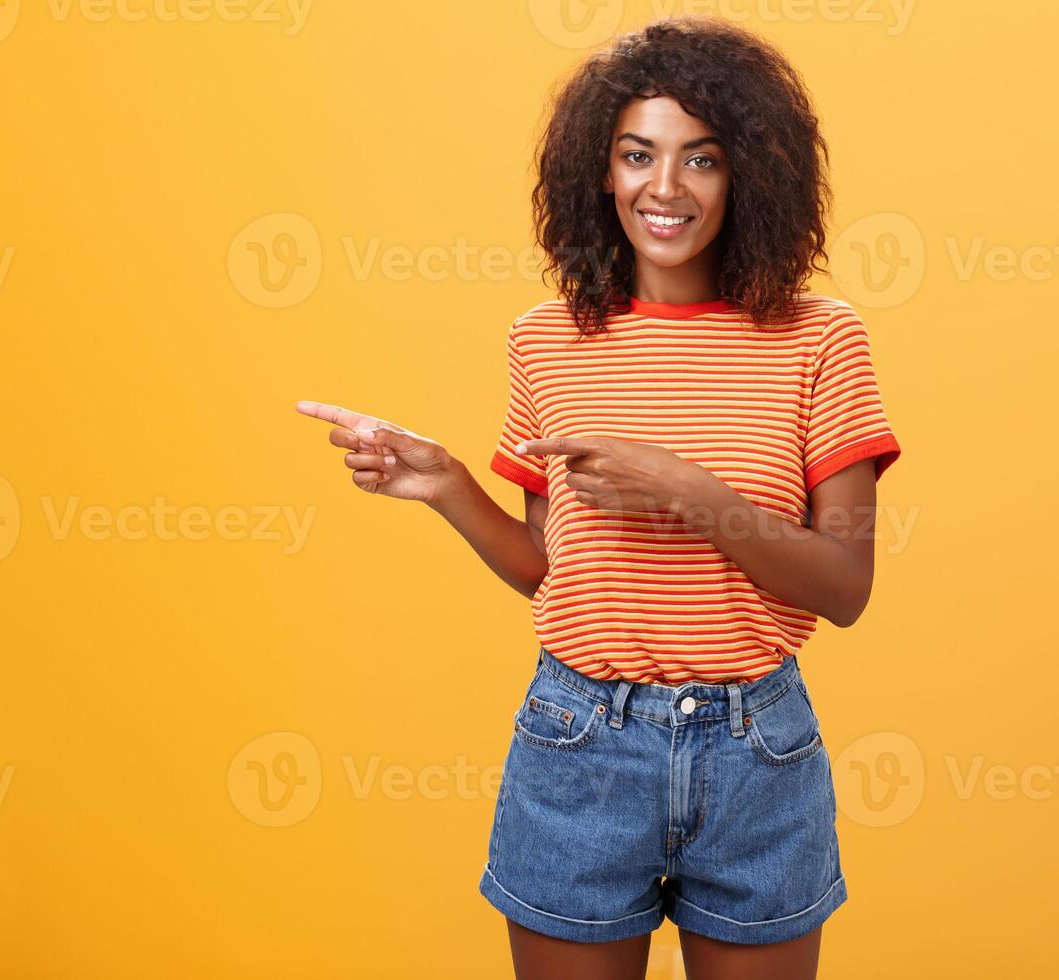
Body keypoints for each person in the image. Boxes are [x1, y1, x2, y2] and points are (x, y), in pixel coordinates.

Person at [294, 16, 902, 980]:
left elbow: (844, 586)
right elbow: (546, 569)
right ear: (601, 172)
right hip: (578, 741)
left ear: (747, 173)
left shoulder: (818, 342)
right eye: (637, 156)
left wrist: (684, 488)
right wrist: (447, 483)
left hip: (758, 753)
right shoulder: (546, 339)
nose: (665, 188)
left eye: (699, 159)